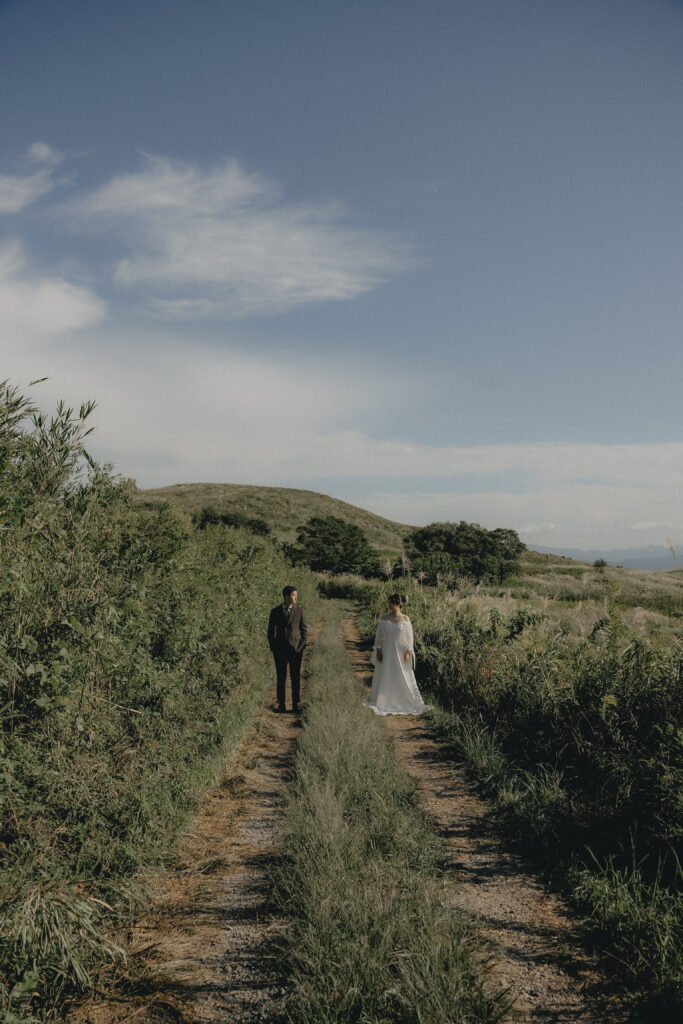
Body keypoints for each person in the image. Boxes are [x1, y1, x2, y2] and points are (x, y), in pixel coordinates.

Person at [365, 593, 430, 716]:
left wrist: (408, 652)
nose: (389, 605)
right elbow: (379, 636)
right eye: (389, 602)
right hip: (387, 651)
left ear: (399, 604)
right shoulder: (384, 618)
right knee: (386, 673)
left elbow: (410, 637)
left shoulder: (405, 619)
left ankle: (402, 701)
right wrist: (378, 650)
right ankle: (385, 700)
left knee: (402, 675)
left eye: (392, 603)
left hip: (400, 651)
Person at [267, 585, 307, 713]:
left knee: (295, 678)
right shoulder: (275, 611)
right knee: (281, 678)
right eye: (293, 595)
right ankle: (281, 705)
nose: (296, 598)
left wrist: (301, 646)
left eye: (296, 595)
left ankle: (296, 705)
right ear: (286, 596)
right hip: (280, 651)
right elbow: (270, 632)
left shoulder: (299, 610)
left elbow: (304, 630)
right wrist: (273, 647)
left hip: (296, 650)